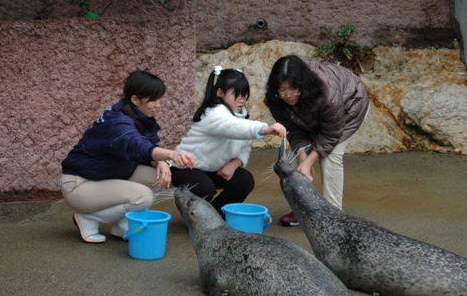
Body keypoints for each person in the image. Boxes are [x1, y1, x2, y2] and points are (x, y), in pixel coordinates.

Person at [60, 70, 195, 244]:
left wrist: (160, 161)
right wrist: (171, 155)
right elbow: (137, 145)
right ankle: (90, 218)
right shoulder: (117, 122)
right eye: (153, 100)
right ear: (135, 99)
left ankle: (121, 224)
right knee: (142, 196)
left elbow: (144, 146)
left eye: (159, 99)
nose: (158, 105)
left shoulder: (134, 113)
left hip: (104, 175)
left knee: (157, 178)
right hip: (79, 184)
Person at [264, 55, 369, 226]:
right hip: (310, 119)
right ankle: (303, 210)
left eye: (293, 88)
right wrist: (302, 155)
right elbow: (292, 128)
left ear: (303, 85)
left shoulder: (326, 92)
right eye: (282, 89)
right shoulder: (276, 97)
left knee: (330, 157)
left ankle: (333, 217)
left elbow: (331, 134)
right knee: (289, 164)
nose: (288, 95)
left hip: (349, 108)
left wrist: (311, 159)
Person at [170, 66, 286, 215]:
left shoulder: (241, 116)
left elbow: (245, 147)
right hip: (184, 168)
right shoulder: (213, 113)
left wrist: (235, 163)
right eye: (236, 95)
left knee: (245, 181)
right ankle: (192, 216)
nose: (241, 100)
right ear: (220, 93)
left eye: (244, 95)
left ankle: (215, 215)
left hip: (210, 169)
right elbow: (232, 126)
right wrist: (264, 129)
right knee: (205, 188)